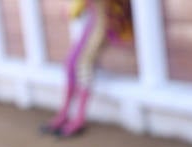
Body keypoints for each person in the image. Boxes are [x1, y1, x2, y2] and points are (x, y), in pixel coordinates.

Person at [44, 0, 133, 138]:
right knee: (71, 64)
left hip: (105, 20)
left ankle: (78, 118)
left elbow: (76, 9)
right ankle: (65, 113)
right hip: (97, 18)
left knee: (83, 64)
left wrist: (74, 9)